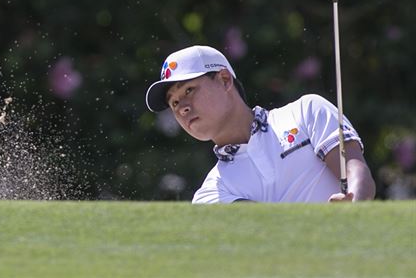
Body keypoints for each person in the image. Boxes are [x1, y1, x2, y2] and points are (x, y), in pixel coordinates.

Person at [145, 45, 376, 203]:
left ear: (225, 80)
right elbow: (267, 233)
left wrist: (352, 208)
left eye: (189, 90)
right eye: (174, 103)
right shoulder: (210, 194)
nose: (182, 107)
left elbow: (355, 169)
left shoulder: (307, 111)